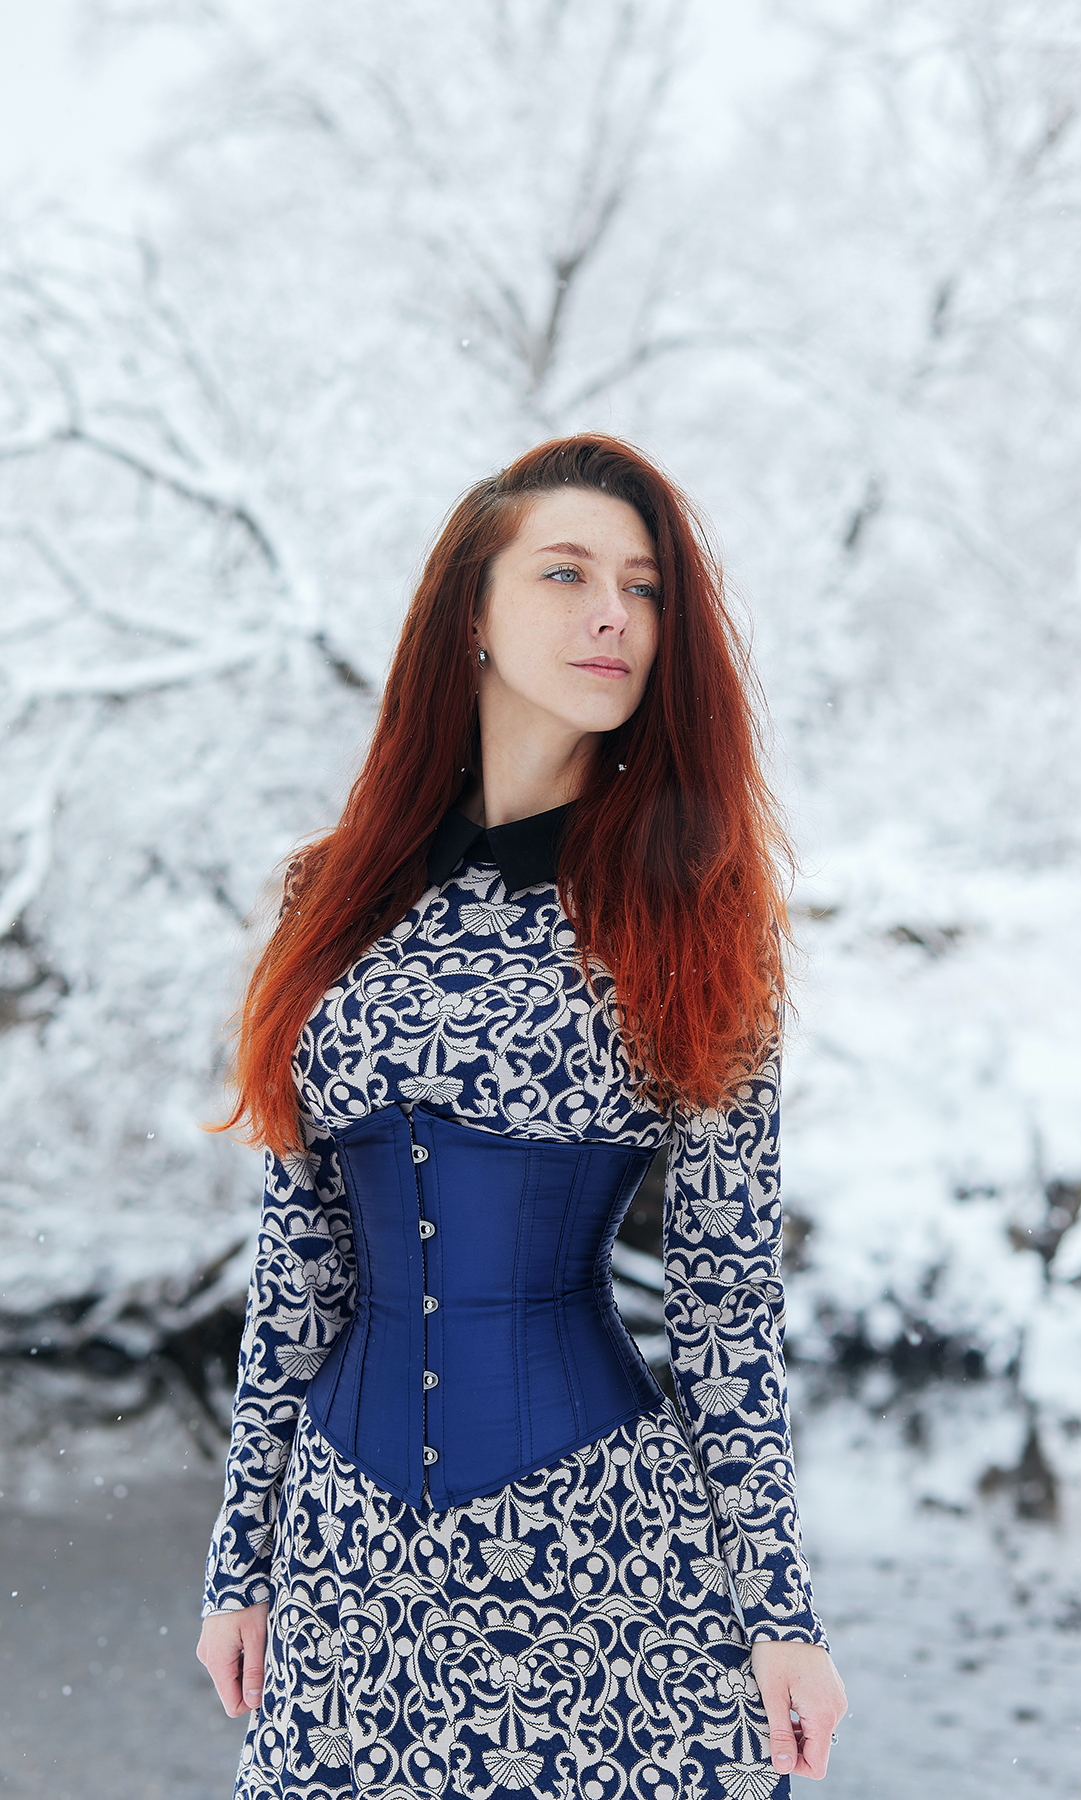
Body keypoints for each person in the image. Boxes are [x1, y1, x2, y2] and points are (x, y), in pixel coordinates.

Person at [196, 434, 847, 1799]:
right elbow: (301, 1271)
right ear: (472, 616)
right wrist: (238, 1566)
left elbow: (725, 1306)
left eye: (645, 587)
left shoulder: (696, 918)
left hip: (604, 1550)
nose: (614, 613)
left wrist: (780, 1613)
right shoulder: (330, 897)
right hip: (348, 1561)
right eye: (566, 573)